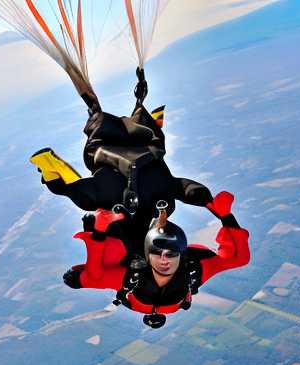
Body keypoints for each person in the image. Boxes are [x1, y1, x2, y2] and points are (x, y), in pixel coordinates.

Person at [30, 69, 221, 256]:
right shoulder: (144, 203)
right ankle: (51, 161)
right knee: (73, 191)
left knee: (75, 192)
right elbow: (190, 191)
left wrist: (212, 205)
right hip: (112, 145)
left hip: (133, 140)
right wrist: (214, 207)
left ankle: (139, 115)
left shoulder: (158, 201)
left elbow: (190, 190)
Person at [61, 194, 250, 328]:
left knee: (88, 266)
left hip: (126, 248)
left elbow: (93, 276)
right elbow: (238, 258)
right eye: (161, 254)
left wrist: (100, 232)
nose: (164, 261)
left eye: (168, 255)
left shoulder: (130, 280)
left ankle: (111, 220)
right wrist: (226, 216)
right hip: (149, 246)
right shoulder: (194, 272)